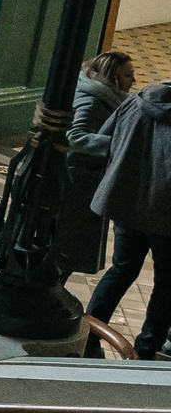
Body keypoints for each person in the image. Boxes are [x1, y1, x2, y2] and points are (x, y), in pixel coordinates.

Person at [90, 66, 171, 357]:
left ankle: (89, 335)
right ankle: (148, 348)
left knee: (122, 270)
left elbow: (106, 139)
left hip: (128, 204)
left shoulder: (137, 101)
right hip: (167, 216)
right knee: (166, 283)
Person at [64, 52, 132, 324]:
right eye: (127, 75)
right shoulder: (92, 99)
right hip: (79, 182)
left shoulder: (108, 98)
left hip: (89, 180)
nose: (133, 80)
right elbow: (76, 137)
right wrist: (120, 147)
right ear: (111, 76)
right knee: (69, 244)